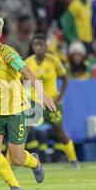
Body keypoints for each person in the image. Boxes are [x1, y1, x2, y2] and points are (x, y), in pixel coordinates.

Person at [0, 12, 56, 190]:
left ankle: (35, 163)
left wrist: (43, 95)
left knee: (18, 158)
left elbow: (27, 72)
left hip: (15, 110)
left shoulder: (8, 53)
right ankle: (15, 186)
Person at [24, 34, 79, 169]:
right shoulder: (27, 62)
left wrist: (58, 98)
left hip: (51, 101)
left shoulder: (54, 61)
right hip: (33, 102)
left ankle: (73, 160)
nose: (38, 47)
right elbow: (20, 80)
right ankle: (16, 159)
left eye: (40, 45)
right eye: (35, 45)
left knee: (59, 132)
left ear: (46, 46)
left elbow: (65, 79)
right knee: (24, 130)